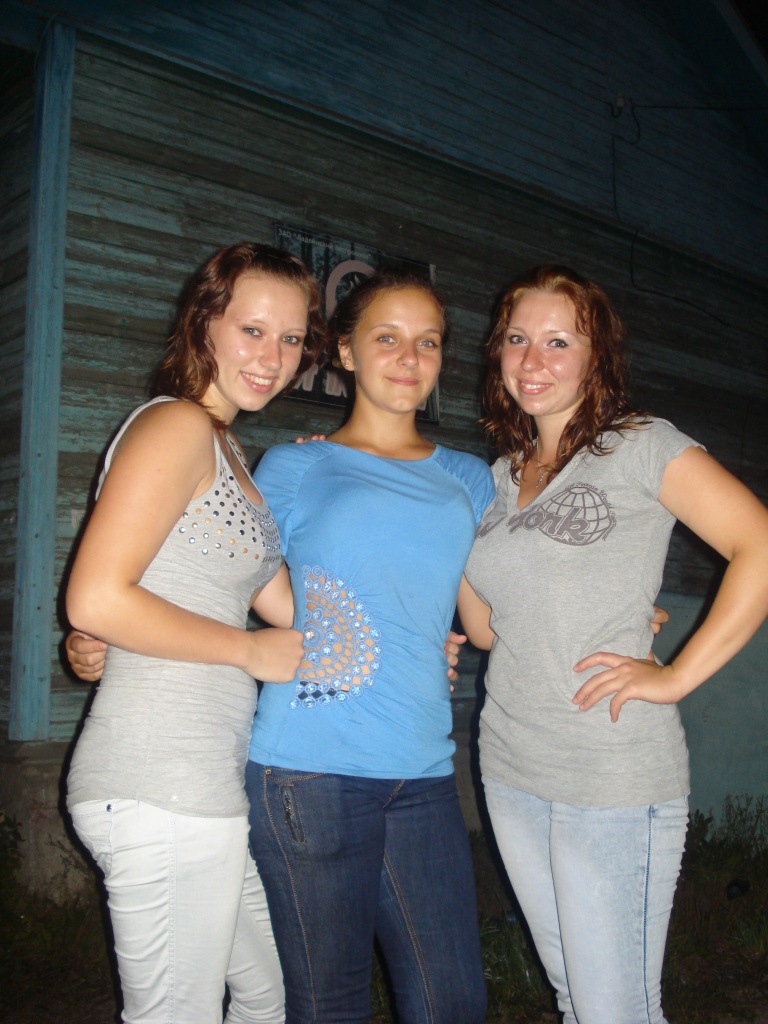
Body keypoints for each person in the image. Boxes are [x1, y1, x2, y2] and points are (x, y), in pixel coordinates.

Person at [458, 265, 768, 1024]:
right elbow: (489, 629)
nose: (533, 360)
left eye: (559, 342)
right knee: (577, 999)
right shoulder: (499, 477)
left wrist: (676, 675)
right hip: (510, 763)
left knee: (615, 1010)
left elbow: (758, 543)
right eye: (517, 340)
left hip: (609, 771)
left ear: (597, 356)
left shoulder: (639, 445)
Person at [65, 243, 326, 1023]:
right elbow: (95, 598)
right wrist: (244, 650)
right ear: (205, 322)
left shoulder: (230, 454)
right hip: (160, 781)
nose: (271, 357)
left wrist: (330, 486)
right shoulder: (175, 425)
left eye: (290, 339)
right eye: (252, 330)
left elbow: (296, 611)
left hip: (200, 784)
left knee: (266, 999)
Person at [243, 270, 493, 1024]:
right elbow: (230, 572)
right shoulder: (296, 465)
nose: (410, 358)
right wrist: (108, 640)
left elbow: (490, 618)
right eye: (387, 338)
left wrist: (610, 614)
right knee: (330, 1005)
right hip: (309, 770)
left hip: (423, 771)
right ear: (346, 352)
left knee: (453, 1002)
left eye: (428, 342)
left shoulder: (468, 479)